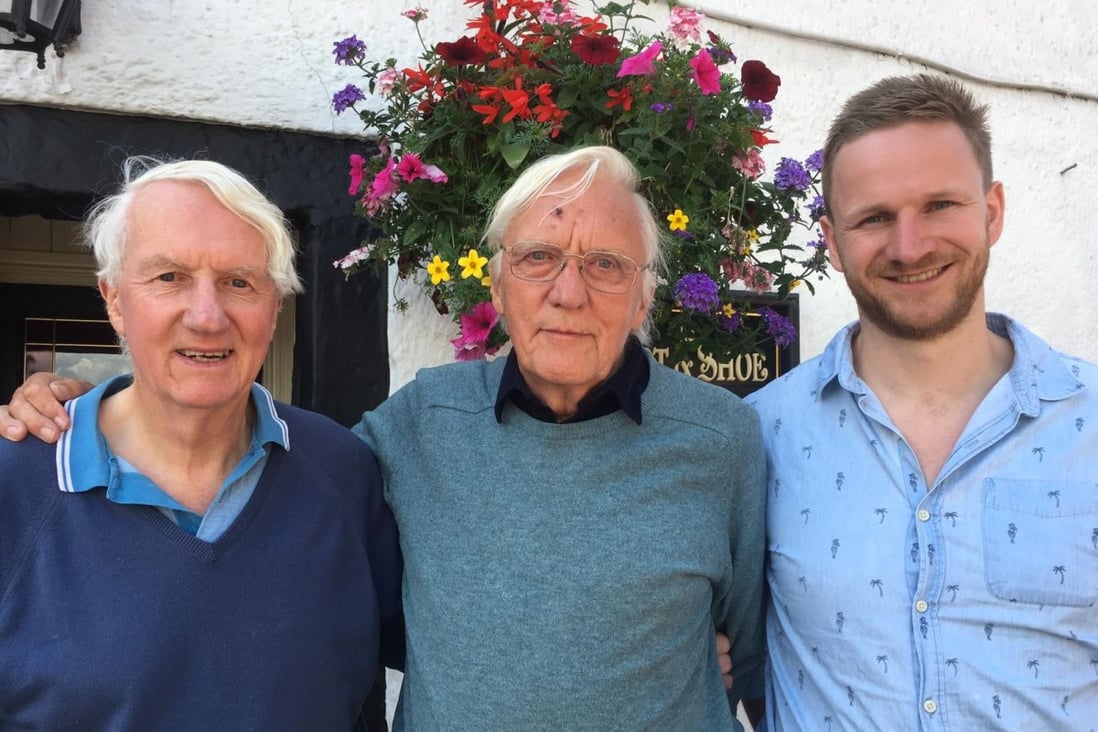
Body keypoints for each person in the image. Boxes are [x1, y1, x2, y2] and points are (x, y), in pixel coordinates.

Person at [1, 146, 764, 729]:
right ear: (496, 287)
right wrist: (59, 401)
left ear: (644, 298)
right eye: (538, 258)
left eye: (605, 264)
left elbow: (757, 653)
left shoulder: (722, 439)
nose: (568, 291)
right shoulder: (412, 426)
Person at [743, 74, 1098, 729]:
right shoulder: (762, 435)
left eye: (939, 206)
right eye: (875, 217)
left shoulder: (1090, 423)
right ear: (831, 239)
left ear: (992, 211)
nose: (910, 247)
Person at [0, 158, 403, 729]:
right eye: (169, 278)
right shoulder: (14, 479)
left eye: (239, 282)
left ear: (275, 307)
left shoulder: (344, 472)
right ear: (113, 298)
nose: (208, 317)